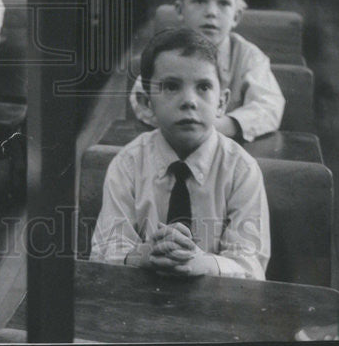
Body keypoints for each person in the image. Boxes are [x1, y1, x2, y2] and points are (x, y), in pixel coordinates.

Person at [91, 27, 270, 279]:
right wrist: (143, 254)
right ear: (146, 103)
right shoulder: (127, 165)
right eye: (171, 86)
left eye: (204, 87)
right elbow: (105, 251)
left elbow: (250, 266)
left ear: (221, 103)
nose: (189, 101)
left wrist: (203, 263)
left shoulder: (242, 170)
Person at [129, 0, 285, 143]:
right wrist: (181, 125)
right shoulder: (166, 50)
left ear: (236, 16)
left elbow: (270, 106)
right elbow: (140, 94)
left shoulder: (249, 56)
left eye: (224, 3)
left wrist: (224, 125)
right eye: (200, 1)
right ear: (180, 10)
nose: (211, 12)